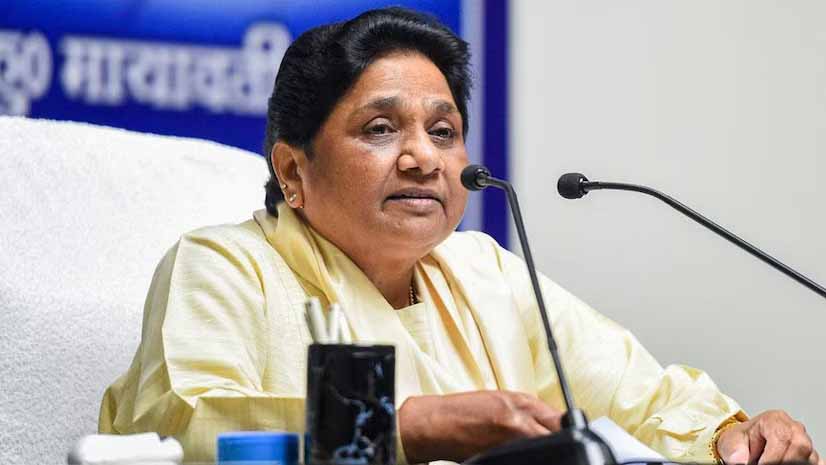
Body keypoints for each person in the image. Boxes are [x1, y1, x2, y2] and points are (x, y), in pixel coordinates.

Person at [99, 7, 821, 465]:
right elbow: (181, 428)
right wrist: (408, 426)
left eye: (444, 132)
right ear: (292, 169)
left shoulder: (484, 270)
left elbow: (644, 400)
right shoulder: (226, 265)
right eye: (380, 129)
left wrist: (732, 436)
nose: (424, 157)